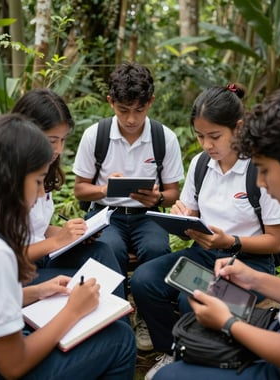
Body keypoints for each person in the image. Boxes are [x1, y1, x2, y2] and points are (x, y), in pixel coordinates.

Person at [154, 89, 280, 380]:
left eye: (264, 169)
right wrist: (253, 278)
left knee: (168, 377)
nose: (260, 181)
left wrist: (227, 322)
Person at [131, 83, 280, 379]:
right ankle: (172, 351)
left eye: (215, 136)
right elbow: (190, 214)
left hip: (248, 264)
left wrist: (231, 241)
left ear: (238, 128)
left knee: (187, 299)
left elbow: (276, 242)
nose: (206, 145)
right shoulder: (201, 164)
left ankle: (203, 359)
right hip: (203, 254)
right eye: (200, 136)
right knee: (144, 280)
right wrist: (182, 219)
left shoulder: (259, 169)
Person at [0, 114, 136, 380]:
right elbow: (13, 365)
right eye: (38, 181)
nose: (41, 194)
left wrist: (34, 293)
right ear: (11, 179)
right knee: (120, 340)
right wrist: (73, 311)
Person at [72, 62, 184, 350]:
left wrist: (158, 198)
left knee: (157, 249)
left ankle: (148, 316)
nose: (131, 119)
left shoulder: (164, 138)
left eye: (139, 110)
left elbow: (173, 193)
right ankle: (118, 317)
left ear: (150, 103)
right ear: (111, 102)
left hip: (147, 216)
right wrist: (103, 189)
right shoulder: (95, 136)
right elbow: (79, 188)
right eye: (123, 110)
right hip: (106, 215)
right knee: (109, 250)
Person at [12, 89, 125, 299]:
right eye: (52, 140)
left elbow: (35, 228)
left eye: (63, 140)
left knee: (101, 251)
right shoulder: (5, 180)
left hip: (42, 257)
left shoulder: (42, 169)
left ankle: (117, 315)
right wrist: (56, 241)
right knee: (95, 282)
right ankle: (113, 323)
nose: (59, 149)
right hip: (17, 273)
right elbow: (3, 254)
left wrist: (75, 234)